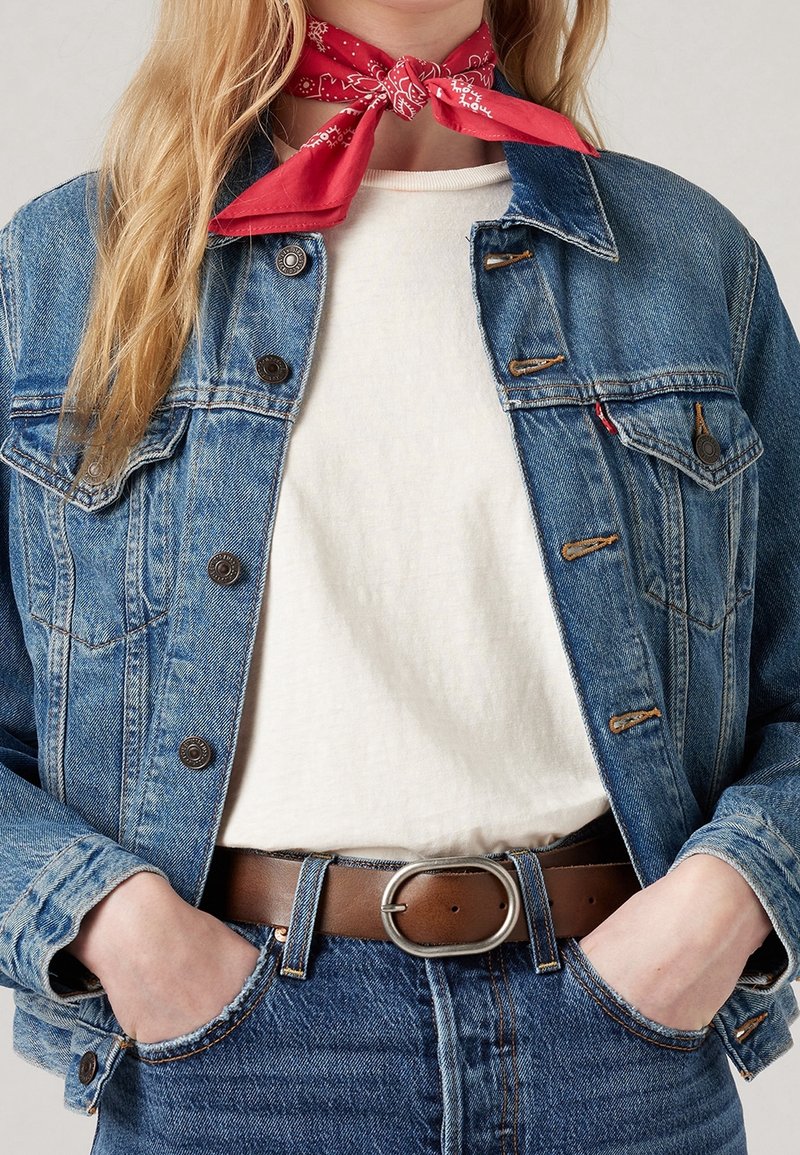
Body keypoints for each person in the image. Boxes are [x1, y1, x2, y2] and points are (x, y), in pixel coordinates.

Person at [1, 0, 798, 1152]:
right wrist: (114, 926)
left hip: (624, 1056)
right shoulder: (66, 266)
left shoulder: (682, 258)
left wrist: (720, 904)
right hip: (234, 1065)